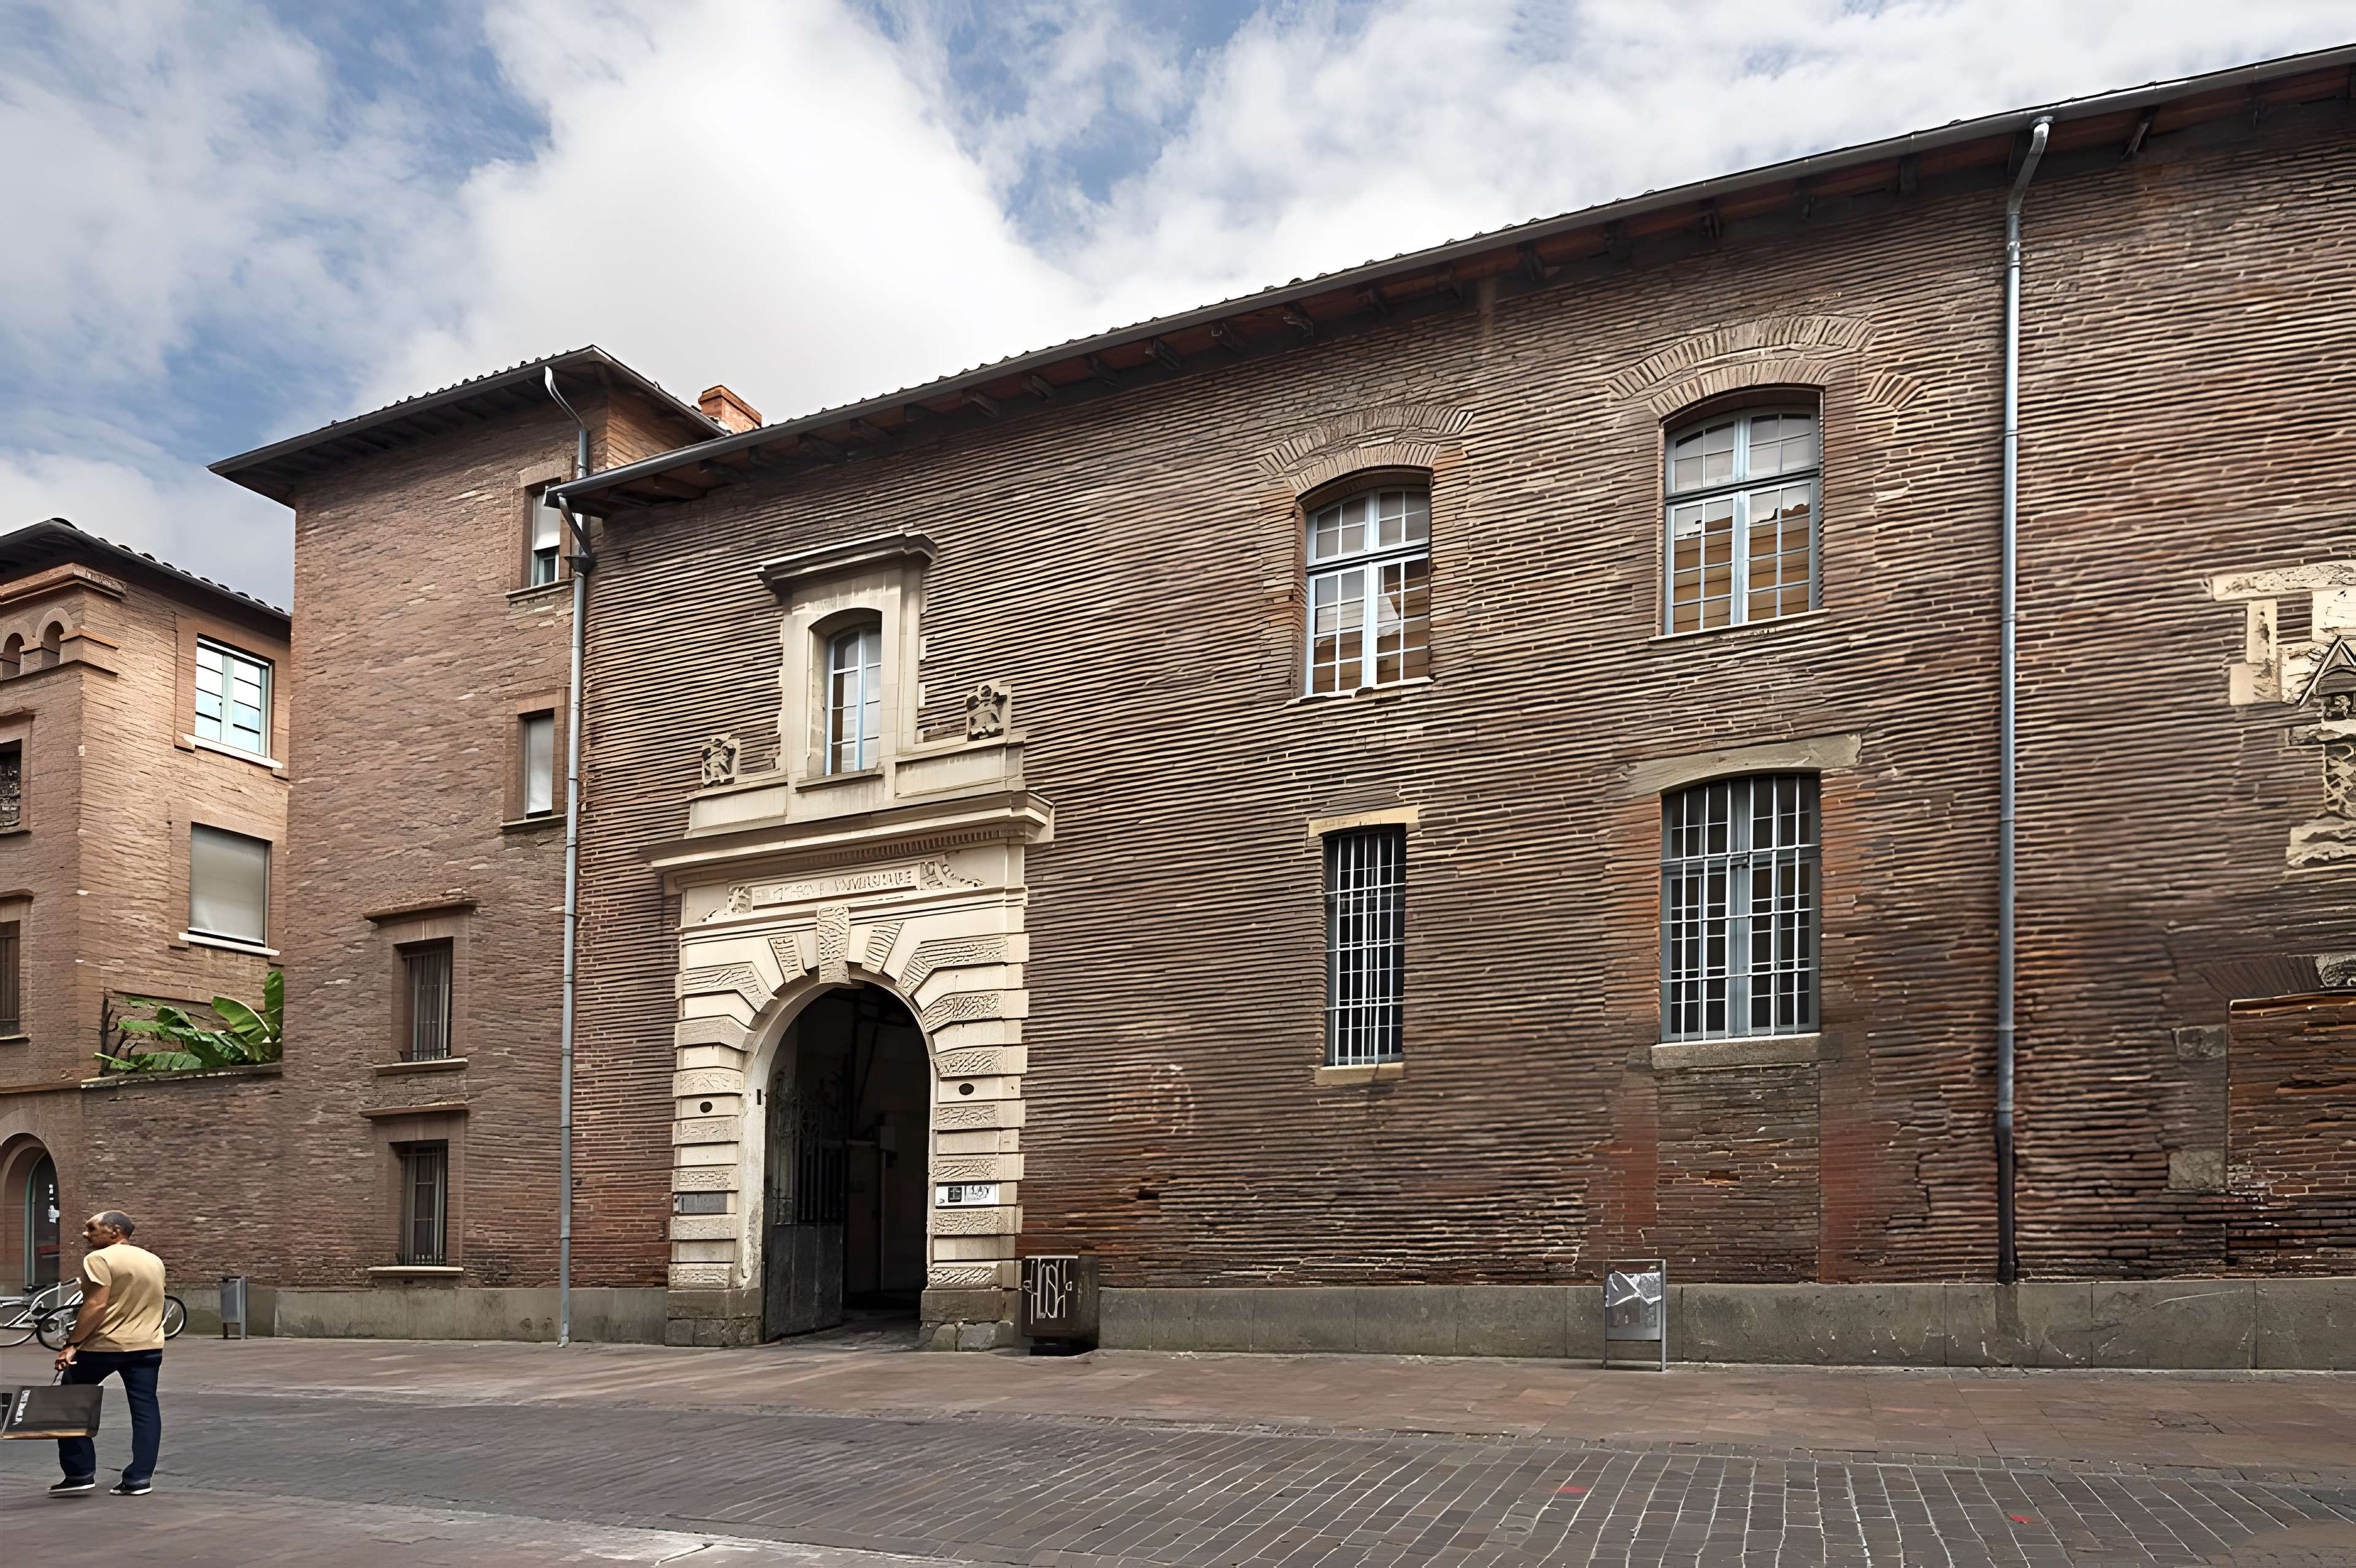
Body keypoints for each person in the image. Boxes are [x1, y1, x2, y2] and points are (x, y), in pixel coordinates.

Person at [47, 1210, 164, 1498]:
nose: (85, 1234)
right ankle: (139, 1480)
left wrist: (72, 1344)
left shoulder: (99, 1259)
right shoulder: (153, 1260)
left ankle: (79, 1474)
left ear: (114, 1232)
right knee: (145, 1409)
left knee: (71, 1403)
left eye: (92, 1228)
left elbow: (96, 1306)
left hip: (104, 1345)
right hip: (148, 1346)